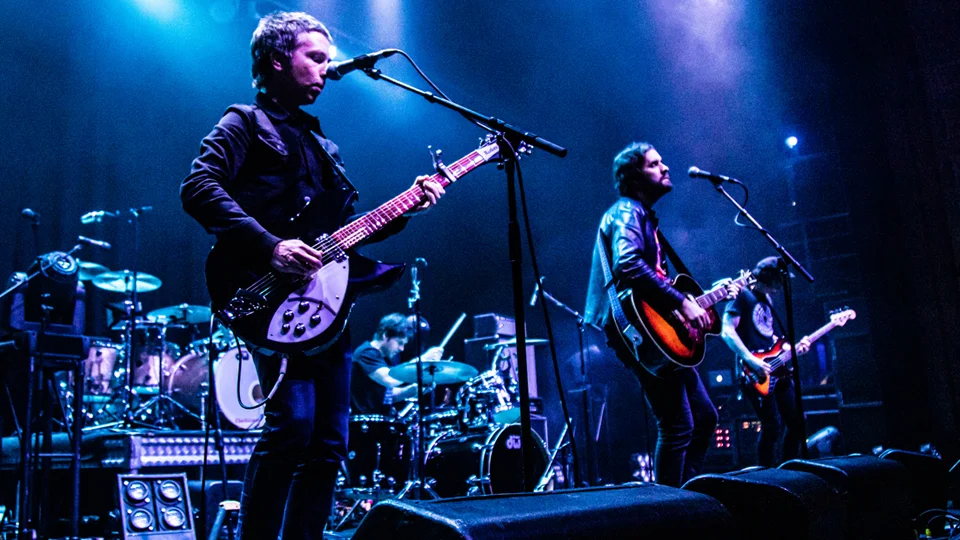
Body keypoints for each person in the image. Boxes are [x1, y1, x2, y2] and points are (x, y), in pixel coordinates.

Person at [180, 12, 445, 539]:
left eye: (328, 60)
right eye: (316, 58)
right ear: (278, 60)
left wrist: (409, 207)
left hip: (325, 307)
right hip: (266, 297)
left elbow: (346, 235)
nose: (326, 70)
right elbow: (199, 188)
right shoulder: (243, 122)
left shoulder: (326, 147)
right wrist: (271, 246)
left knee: (328, 441)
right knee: (292, 426)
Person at [584, 141, 738, 487]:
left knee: (704, 416)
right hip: (634, 328)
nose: (666, 168)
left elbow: (652, 277)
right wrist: (682, 303)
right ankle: (672, 509)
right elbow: (628, 264)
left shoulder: (643, 217)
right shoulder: (627, 212)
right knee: (678, 424)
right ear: (635, 177)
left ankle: (688, 491)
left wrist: (696, 300)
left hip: (654, 328)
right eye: (655, 164)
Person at [720, 256, 810, 466]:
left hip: (777, 368)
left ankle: (791, 469)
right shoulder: (742, 295)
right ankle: (767, 475)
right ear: (768, 278)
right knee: (772, 427)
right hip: (755, 372)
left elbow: (769, 336)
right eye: (778, 280)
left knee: (798, 423)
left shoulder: (767, 299)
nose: (781, 286)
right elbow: (727, 330)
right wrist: (751, 360)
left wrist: (792, 349)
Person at [350, 313, 443, 416]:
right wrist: (422, 360)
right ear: (386, 336)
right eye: (399, 343)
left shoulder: (384, 358)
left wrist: (414, 389)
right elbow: (389, 380)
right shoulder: (366, 353)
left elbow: (388, 396)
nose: (401, 349)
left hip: (380, 422)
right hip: (363, 425)